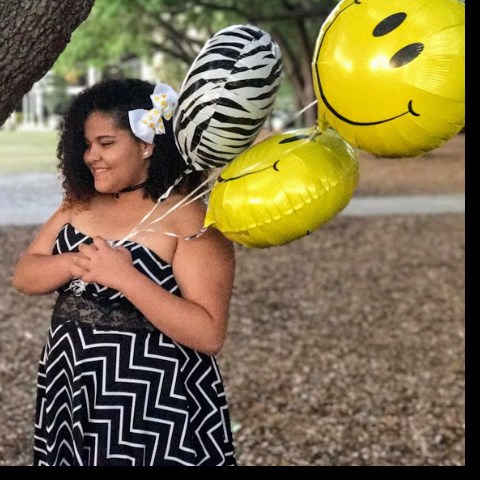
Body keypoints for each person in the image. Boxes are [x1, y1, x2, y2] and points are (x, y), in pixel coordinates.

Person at [12, 78, 237, 466]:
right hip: (70, 386)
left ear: (147, 144)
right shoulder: (78, 204)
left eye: (106, 143)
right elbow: (24, 275)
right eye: (87, 144)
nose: (91, 156)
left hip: (152, 401)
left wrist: (125, 278)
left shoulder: (189, 218)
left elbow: (209, 333)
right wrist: (75, 262)